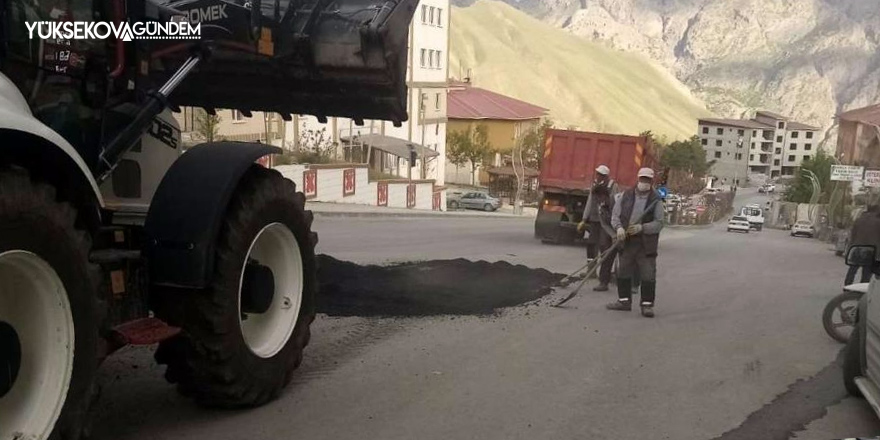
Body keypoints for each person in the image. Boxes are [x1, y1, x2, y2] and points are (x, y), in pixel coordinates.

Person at [607, 167, 664, 317]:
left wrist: (642, 227)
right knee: (623, 271)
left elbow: (659, 223)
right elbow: (615, 215)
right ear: (638, 179)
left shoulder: (656, 200)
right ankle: (624, 301)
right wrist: (618, 228)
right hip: (627, 241)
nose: (644, 182)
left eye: (647, 180)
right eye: (642, 179)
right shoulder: (626, 195)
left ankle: (647, 305)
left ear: (651, 181)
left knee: (648, 274)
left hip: (646, 244)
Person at [578, 165, 618, 291]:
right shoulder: (595, 185)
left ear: (606, 176)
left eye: (600, 174)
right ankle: (591, 270)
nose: (598, 176)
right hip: (596, 218)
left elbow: (615, 207)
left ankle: (607, 278)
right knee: (591, 243)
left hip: (609, 220)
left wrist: (616, 231)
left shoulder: (612, 186)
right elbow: (590, 201)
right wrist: (584, 219)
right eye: (597, 173)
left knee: (605, 247)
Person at [846, 204, 880, 285]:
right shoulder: (878, 222)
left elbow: (852, 235)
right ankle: (861, 293)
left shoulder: (858, 220)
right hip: (871, 250)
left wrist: (849, 249)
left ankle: (847, 288)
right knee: (866, 274)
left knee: (852, 271)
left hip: (857, 248)